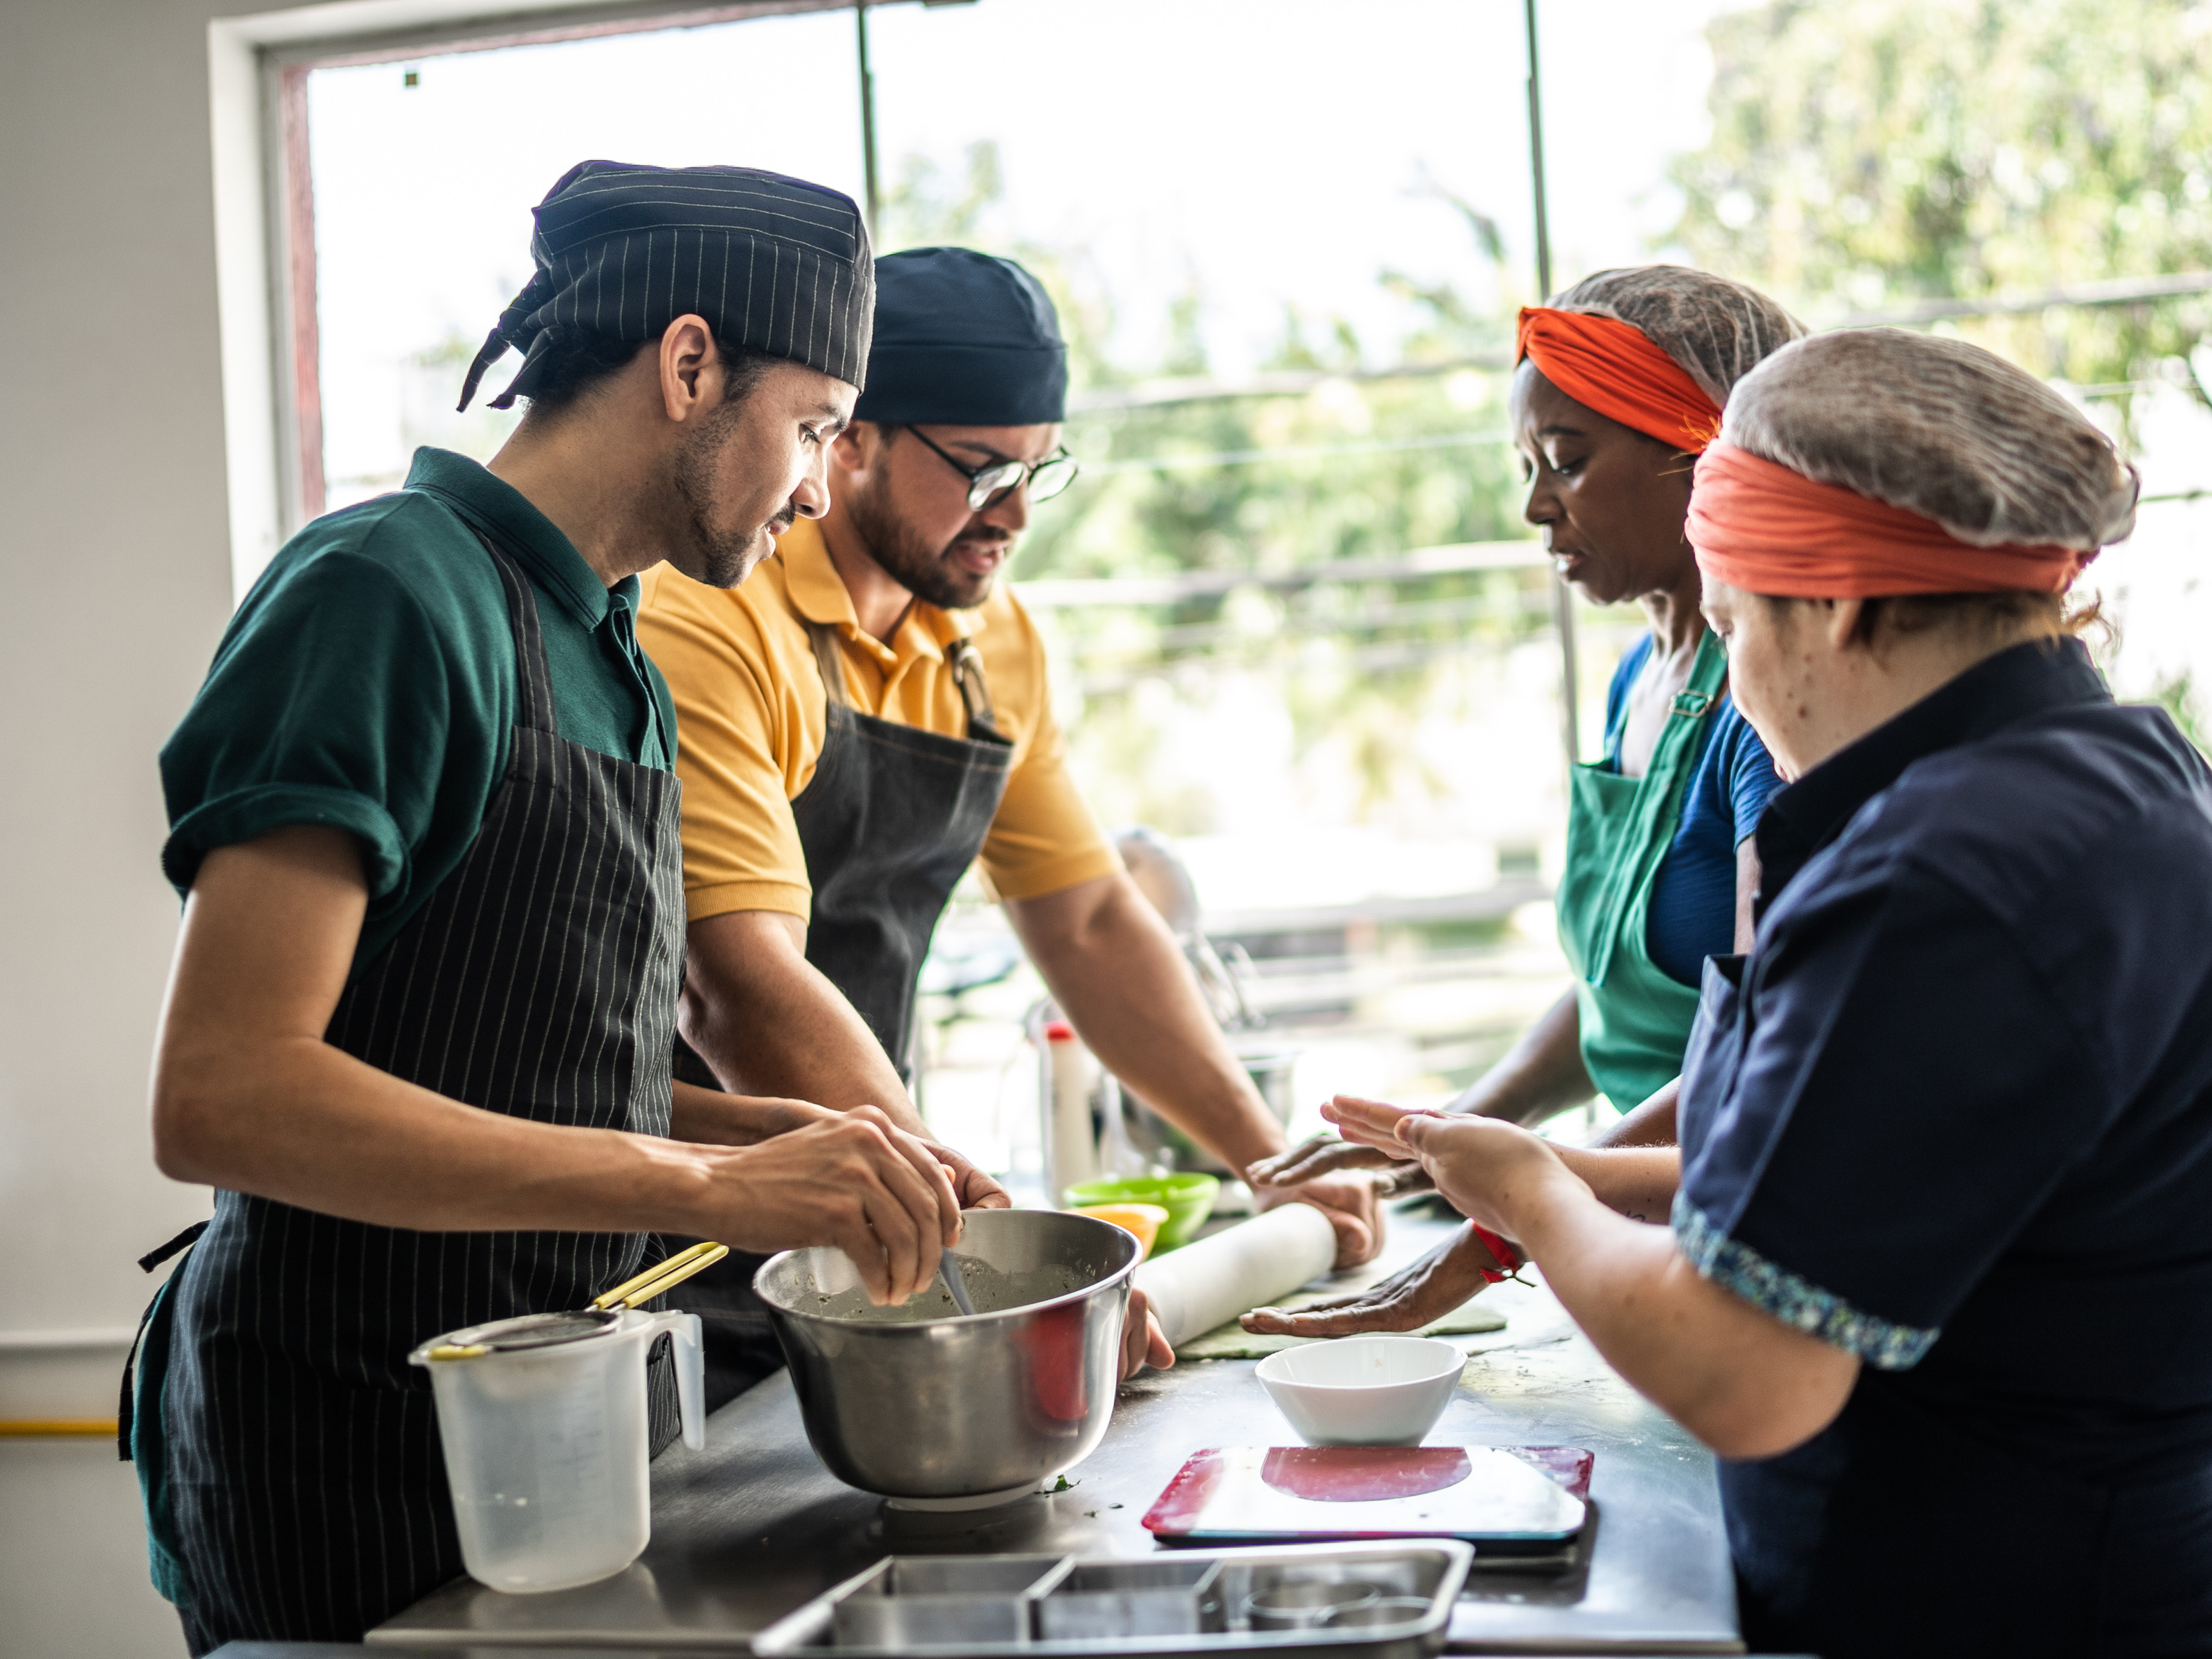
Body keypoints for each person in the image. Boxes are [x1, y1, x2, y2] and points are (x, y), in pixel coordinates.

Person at [133, 162, 987, 1654]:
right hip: (340, 1456)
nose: (812, 487)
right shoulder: (383, 594)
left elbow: (511, 1067)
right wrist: (703, 1188)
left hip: (538, 1454)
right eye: (812, 427)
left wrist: (776, 1135)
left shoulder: (616, 654)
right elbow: (223, 1094)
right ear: (688, 363)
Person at [1321, 329, 2212, 1657]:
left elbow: (1747, 1376)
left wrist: (1534, 1198)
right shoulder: (2129, 778)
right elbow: (1883, 1170)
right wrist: (1542, 1167)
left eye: (1731, 624)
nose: (1733, 677)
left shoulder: (1940, 876)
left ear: (1838, 605)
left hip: (2000, 1601)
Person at [635, 246, 1380, 1395]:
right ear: (851, 439)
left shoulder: (995, 644)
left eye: (1042, 469)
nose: (1018, 513)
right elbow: (736, 982)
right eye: (983, 471)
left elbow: (1085, 921)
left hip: (883, 1216)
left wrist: (1269, 1158)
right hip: (666, 1242)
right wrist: (987, 1246)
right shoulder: (711, 612)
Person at [1247, 266, 1797, 1336]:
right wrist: (1453, 1128)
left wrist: (1508, 1219)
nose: (1536, 503)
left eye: (1569, 462)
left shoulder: (1773, 710)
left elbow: (1758, 1053)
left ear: (1701, 451)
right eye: (1529, 466)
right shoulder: (1645, 676)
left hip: (1730, 1232)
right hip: (1628, 1223)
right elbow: (1612, 986)